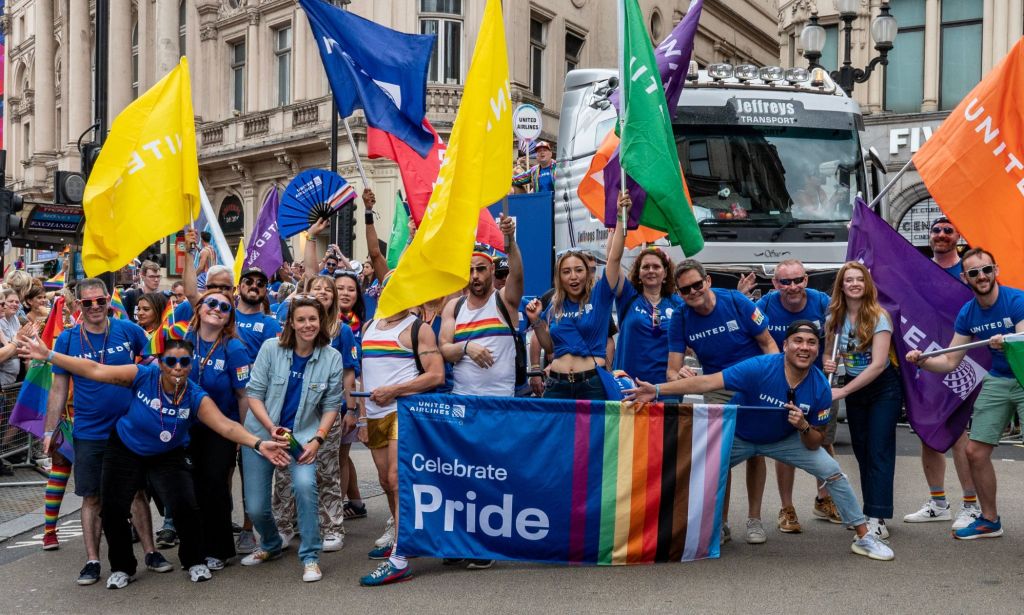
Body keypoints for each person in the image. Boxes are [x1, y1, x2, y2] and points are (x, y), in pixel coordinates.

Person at [19, 333, 290, 586]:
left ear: (190, 365)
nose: (177, 367)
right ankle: (122, 567)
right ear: (161, 362)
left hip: (167, 455)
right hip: (125, 448)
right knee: (113, 510)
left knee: (185, 506)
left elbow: (225, 426)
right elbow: (96, 370)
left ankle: (194, 561)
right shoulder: (143, 375)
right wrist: (50, 355)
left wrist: (258, 443)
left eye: (184, 362)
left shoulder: (195, 396)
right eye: (171, 361)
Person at [626, 320, 895, 561]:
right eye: (798, 341)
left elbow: (815, 441)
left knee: (833, 471)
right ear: (785, 345)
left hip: (784, 440)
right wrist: (658, 389)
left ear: (817, 349)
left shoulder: (821, 388)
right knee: (687, 469)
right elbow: (707, 382)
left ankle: (864, 537)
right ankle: (660, 530)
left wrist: (802, 426)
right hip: (739, 436)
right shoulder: (759, 367)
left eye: (812, 343)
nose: (805, 348)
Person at [40, 279, 168, 583]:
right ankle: (93, 560)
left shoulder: (128, 331)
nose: (96, 307)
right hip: (89, 431)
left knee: (137, 492)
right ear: (78, 306)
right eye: (88, 303)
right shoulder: (68, 340)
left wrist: (155, 406)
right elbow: (58, 389)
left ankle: (150, 552)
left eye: (101, 302)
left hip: (128, 428)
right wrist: (48, 430)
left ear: (109, 301)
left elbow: (152, 366)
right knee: (92, 497)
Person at [907, 247, 1024, 540]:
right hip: (998, 380)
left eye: (986, 270)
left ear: (996, 270)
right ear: (965, 278)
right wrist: (923, 360)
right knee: (974, 452)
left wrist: (1008, 343)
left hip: (1022, 376)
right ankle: (989, 520)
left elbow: (1022, 343)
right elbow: (949, 360)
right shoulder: (968, 312)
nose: (981, 277)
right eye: (974, 273)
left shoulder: (1017, 300)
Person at [667, 259, 778, 545]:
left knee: (755, 452)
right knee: (720, 458)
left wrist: (770, 378)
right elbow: (671, 369)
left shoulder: (737, 302)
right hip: (716, 386)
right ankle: (722, 523)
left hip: (753, 384)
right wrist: (679, 372)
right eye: (685, 290)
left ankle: (754, 520)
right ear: (679, 293)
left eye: (696, 285)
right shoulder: (680, 317)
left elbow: (768, 343)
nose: (693, 292)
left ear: (708, 282)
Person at [437, 216, 522, 571]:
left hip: (498, 404)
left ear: (491, 272)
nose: (475, 276)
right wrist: (467, 347)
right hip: (462, 402)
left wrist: (510, 241)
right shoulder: (452, 307)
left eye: (482, 269)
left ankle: (487, 542)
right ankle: (460, 540)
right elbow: (444, 348)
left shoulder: (505, 302)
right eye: (471, 270)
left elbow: (517, 275)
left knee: (491, 474)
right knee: (461, 474)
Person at [241, 295, 345, 582]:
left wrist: (318, 441)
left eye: (313, 319)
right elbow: (254, 394)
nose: (307, 324)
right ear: (291, 322)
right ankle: (272, 544)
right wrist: (271, 427)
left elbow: (331, 405)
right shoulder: (270, 348)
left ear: (321, 321)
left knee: (304, 487)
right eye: (301, 319)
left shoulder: (332, 357)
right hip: (262, 435)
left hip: (303, 437)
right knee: (256, 507)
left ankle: (310, 556)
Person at [357, 296, 445, 586]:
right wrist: (360, 418)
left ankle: (400, 556)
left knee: (397, 480)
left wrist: (394, 390)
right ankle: (401, 536)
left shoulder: (418, 327)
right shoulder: (369, 325)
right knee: (384, 481)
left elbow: (436, 375)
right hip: (373, 414)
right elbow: (362, 375)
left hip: (401, 411)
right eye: (386, 286)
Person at [269, 276, 353, 555]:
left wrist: (351, 408)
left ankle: (331, 528)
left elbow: (344, 380)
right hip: (289, 421)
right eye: (317, 288)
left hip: (324, 421)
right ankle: (284, 526)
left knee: (326, 474)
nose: (307, 325)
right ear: (292, 321)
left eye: (328, 289)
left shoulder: (338, 336)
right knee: (284, 475)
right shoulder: (279, 346)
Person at [904, 217, 979, 528]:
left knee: (959, 433)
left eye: (948, 230)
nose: (942, 235)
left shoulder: (969, 272)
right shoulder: (919, 271)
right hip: (926, 358)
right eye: (936, 230)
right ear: (929, 235)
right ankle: (938, 502)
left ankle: (971, 504)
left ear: (957, 236)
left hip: (965, 362)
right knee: (927, 430)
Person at [755, 260, 838, 531]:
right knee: (783, 447)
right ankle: (787, 508)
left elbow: (838, 328)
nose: (793, 287)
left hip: (816, 384)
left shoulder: (821, 301)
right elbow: (751, 332)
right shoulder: (766, 305)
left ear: (806, 280)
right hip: (780, 384)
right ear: (776, 284)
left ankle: (824, 500)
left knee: (823, 441)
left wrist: (828, 356)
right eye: (785, 282)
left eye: (798, 280)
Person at [823, 262, 903, 541]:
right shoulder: (835, 315)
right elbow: (829, 354)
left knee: (879, 450)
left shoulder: (879, 316)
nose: (855, 284)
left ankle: (877, 517)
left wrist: (843, 392)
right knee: (862, 450)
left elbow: (879, 364)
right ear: (841, 286)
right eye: (849, 280)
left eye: (860, 279)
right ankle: (868, 513)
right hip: (855, 388)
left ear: (867, 284)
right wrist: (828, 364)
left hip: (882, 388)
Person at [527, 196, 628, 400]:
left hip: (592, 384)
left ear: (587, 273)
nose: (573, 276)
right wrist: (536, 320)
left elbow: (614, 258)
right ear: (559, 277)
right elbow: (548, 347)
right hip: (556, 384)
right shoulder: (555, 304)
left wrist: (619, 217)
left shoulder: (600, 295)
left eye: (578, 270)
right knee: (556, 433)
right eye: (566, 272)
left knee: (593, 433)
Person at [181, 289, 251, 570]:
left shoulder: (234, 348)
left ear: (229, 318)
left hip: (222, 429)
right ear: (199, 309)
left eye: (224, 307)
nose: (217, 309)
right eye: (211, 303)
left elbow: (243, 395)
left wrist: (243, 437)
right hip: (186, 428)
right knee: (189, 490)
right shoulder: (185, 340)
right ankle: (194, 548)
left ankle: (219, 549)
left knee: (214, 487)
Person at [611, 246, 682, 388]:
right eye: (646, 267)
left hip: (665, 389)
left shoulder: (677, 303)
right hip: (628, 387)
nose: (651, 270)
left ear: (666, 272)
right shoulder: (627, 296)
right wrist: (617, 228)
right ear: (638, 273)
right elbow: (613, 260)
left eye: (656, 266)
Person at [234, 267, 282, 365]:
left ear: (265, 293)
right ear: (238, 288)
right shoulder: (224, 315)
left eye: (260, 284)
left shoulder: (271, 325)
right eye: (248, 282)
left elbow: (275, 363)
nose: (254, 286)